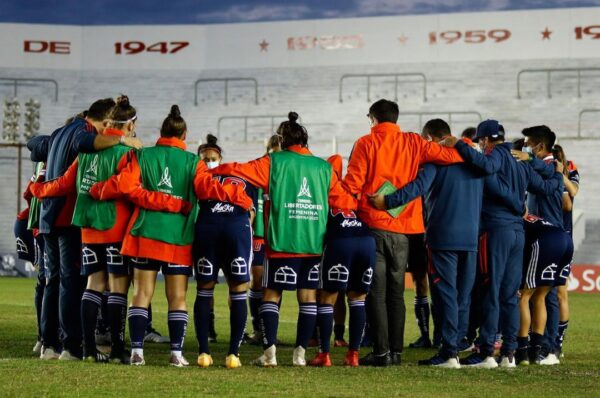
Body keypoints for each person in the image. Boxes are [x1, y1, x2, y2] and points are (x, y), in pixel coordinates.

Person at [89, 105, 253, 367]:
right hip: (178, 239)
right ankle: (176, 354)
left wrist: (98, 190)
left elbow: (125, 186)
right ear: (184, 134)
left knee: (141, 293)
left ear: (161, 132)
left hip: (145, 234)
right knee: (177, 297)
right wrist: (239, 197)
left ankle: (137, 352)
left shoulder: (143, 156)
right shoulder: (193, 163)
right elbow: (209, 188)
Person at [30, 97, 187, 363]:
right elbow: (128, 187)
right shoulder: (128, 152)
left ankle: (88, 348)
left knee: (92, 285)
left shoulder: (86, 153)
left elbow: (63, 184)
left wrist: (37, 190)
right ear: (129, 125)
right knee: (117, 289)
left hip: (88, 230)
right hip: (116, 228)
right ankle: (116, 349)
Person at [210, 112, 356, 367]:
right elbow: (345, 202)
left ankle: (270, 355)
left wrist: (210, 171)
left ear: (281, 139)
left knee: (271, 295)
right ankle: (299, 355)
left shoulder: (274, 162)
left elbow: (238, 170)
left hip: (280, 242)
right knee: (308, 298)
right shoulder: (324, 168)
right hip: (312, 243)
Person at [342, 99, 464, 366]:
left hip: (373, 226)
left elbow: (353, 183)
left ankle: (381, 352)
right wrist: (456, 144)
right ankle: (396, 352)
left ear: (373, 119)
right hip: (405, 231)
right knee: (397, 293)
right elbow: (453, 156)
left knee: (376, 292)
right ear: (395, 119)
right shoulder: (414, 142)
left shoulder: (365, 143)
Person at [442, 120, 563, 368]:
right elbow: (550, 185)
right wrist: (551, 171)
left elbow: (486, 169)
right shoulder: (520, 159)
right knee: (510, 295)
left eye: (479, 142)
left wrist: (459, 146)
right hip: (518, 234)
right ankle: (509, 353)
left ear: (485, 140)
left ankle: (487, 352)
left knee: (491, 291)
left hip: (496, 231)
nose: (480, 147)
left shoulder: (495, 154)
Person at [27, 99, 142, 360]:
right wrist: (122, 141)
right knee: (78, 282)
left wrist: (37, 190)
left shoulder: (59, 133)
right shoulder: (87, 136)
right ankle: (74, 346)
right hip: (78, 221)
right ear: (104, 122)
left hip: (52, 217)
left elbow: (36, 146)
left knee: (53, 281)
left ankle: (48, 343)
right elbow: (88, 150)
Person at [369, 119, 484, 368]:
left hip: (443, 237)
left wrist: (386, 201)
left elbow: (417, 188)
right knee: (463, 296)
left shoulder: (436, 162)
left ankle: (449, 352)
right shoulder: (474, 163)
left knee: (446, 296)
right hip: (471, 238)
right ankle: (460, 343)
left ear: (431, 138)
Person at [193, 134, 257, 369]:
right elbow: (251, 211)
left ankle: (203, 354)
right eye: (206, 159)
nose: (209, 162)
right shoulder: (240, 176)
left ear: (218, 158)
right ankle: (233, 355)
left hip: (207, 227)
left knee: (204, 289)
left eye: (212, 158)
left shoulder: (198, 176)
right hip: (236, 228)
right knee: (239, 289)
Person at [308, 155, 375, 367]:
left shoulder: (321, 192)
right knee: (357, 299)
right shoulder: (350, 190)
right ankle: (353, 355)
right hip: (366, 240)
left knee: (327, 298)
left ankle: (324, 355)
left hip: (340, 241)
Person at [513, 126, 568, 365]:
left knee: (540, 296)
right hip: (553, 236)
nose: (525, 148)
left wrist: (529, 159)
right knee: (543, 295)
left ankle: (544, 347)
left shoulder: (549, 165)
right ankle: (545, 348)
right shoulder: (552, 169)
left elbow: (547, 172)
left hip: (545, 236)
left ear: (539, 146)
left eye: (528, 145)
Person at [516, 215, 573, 365]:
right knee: (539, 297)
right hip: (565, 239)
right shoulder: (530, 217)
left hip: (546, 241)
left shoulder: (512, 220)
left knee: (524, 296)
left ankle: (521, 351)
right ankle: (536, 351)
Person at [247, 134, 281, 345]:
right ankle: (258, 329)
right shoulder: (258, 169)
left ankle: (270, 331)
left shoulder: (286, 171)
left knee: (276, 282)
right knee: (258, 280)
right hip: (259, 232)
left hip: (279, 233)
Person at [551, 144, 579, 354]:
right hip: (552, 236)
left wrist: (560, 176)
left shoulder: (569, 167)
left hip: (559, 236)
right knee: (553, 293)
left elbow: (569, 202)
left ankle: (556, 341)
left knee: (558, 291)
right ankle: (550, 340)